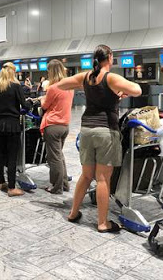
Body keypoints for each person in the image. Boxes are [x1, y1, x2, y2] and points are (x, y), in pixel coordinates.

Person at [56, 44, 142, 233]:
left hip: (86, 129)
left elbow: (61, 84)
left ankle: (73, 213)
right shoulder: (111, 77)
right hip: (106, 131)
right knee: (102, 178)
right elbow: (137, 90)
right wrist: (118, 89)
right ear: (109, 57)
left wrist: (84, 86)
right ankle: (102, 223)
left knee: (86, 175)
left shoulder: (86, 77)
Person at [0, 62, 28, 197]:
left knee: (1, 154)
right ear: (13, 72)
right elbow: (25, 105)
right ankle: (12, 188)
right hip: (13, 124)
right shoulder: (16, 86)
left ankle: (1, 182)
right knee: (12, 157)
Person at [39, 59, 74, 194]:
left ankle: (56, 187)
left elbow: (45, 106)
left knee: (53, 158)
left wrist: (42, 99)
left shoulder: (53, 88)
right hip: (64, 125)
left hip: (52, 126)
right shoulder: (69, 87)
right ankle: (64, 184)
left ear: (51, 71)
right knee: (59, 156)